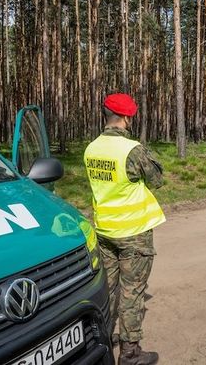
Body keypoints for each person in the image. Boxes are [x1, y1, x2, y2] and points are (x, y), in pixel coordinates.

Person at [84, 93, 166, 365]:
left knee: (108, 288)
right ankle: (130, 353)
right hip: (133, 232)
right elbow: (157, 180)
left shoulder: (91, 148)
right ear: (127, 118)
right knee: (132, 291)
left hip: (105, 230)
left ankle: (104, 337)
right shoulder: (133, 149)